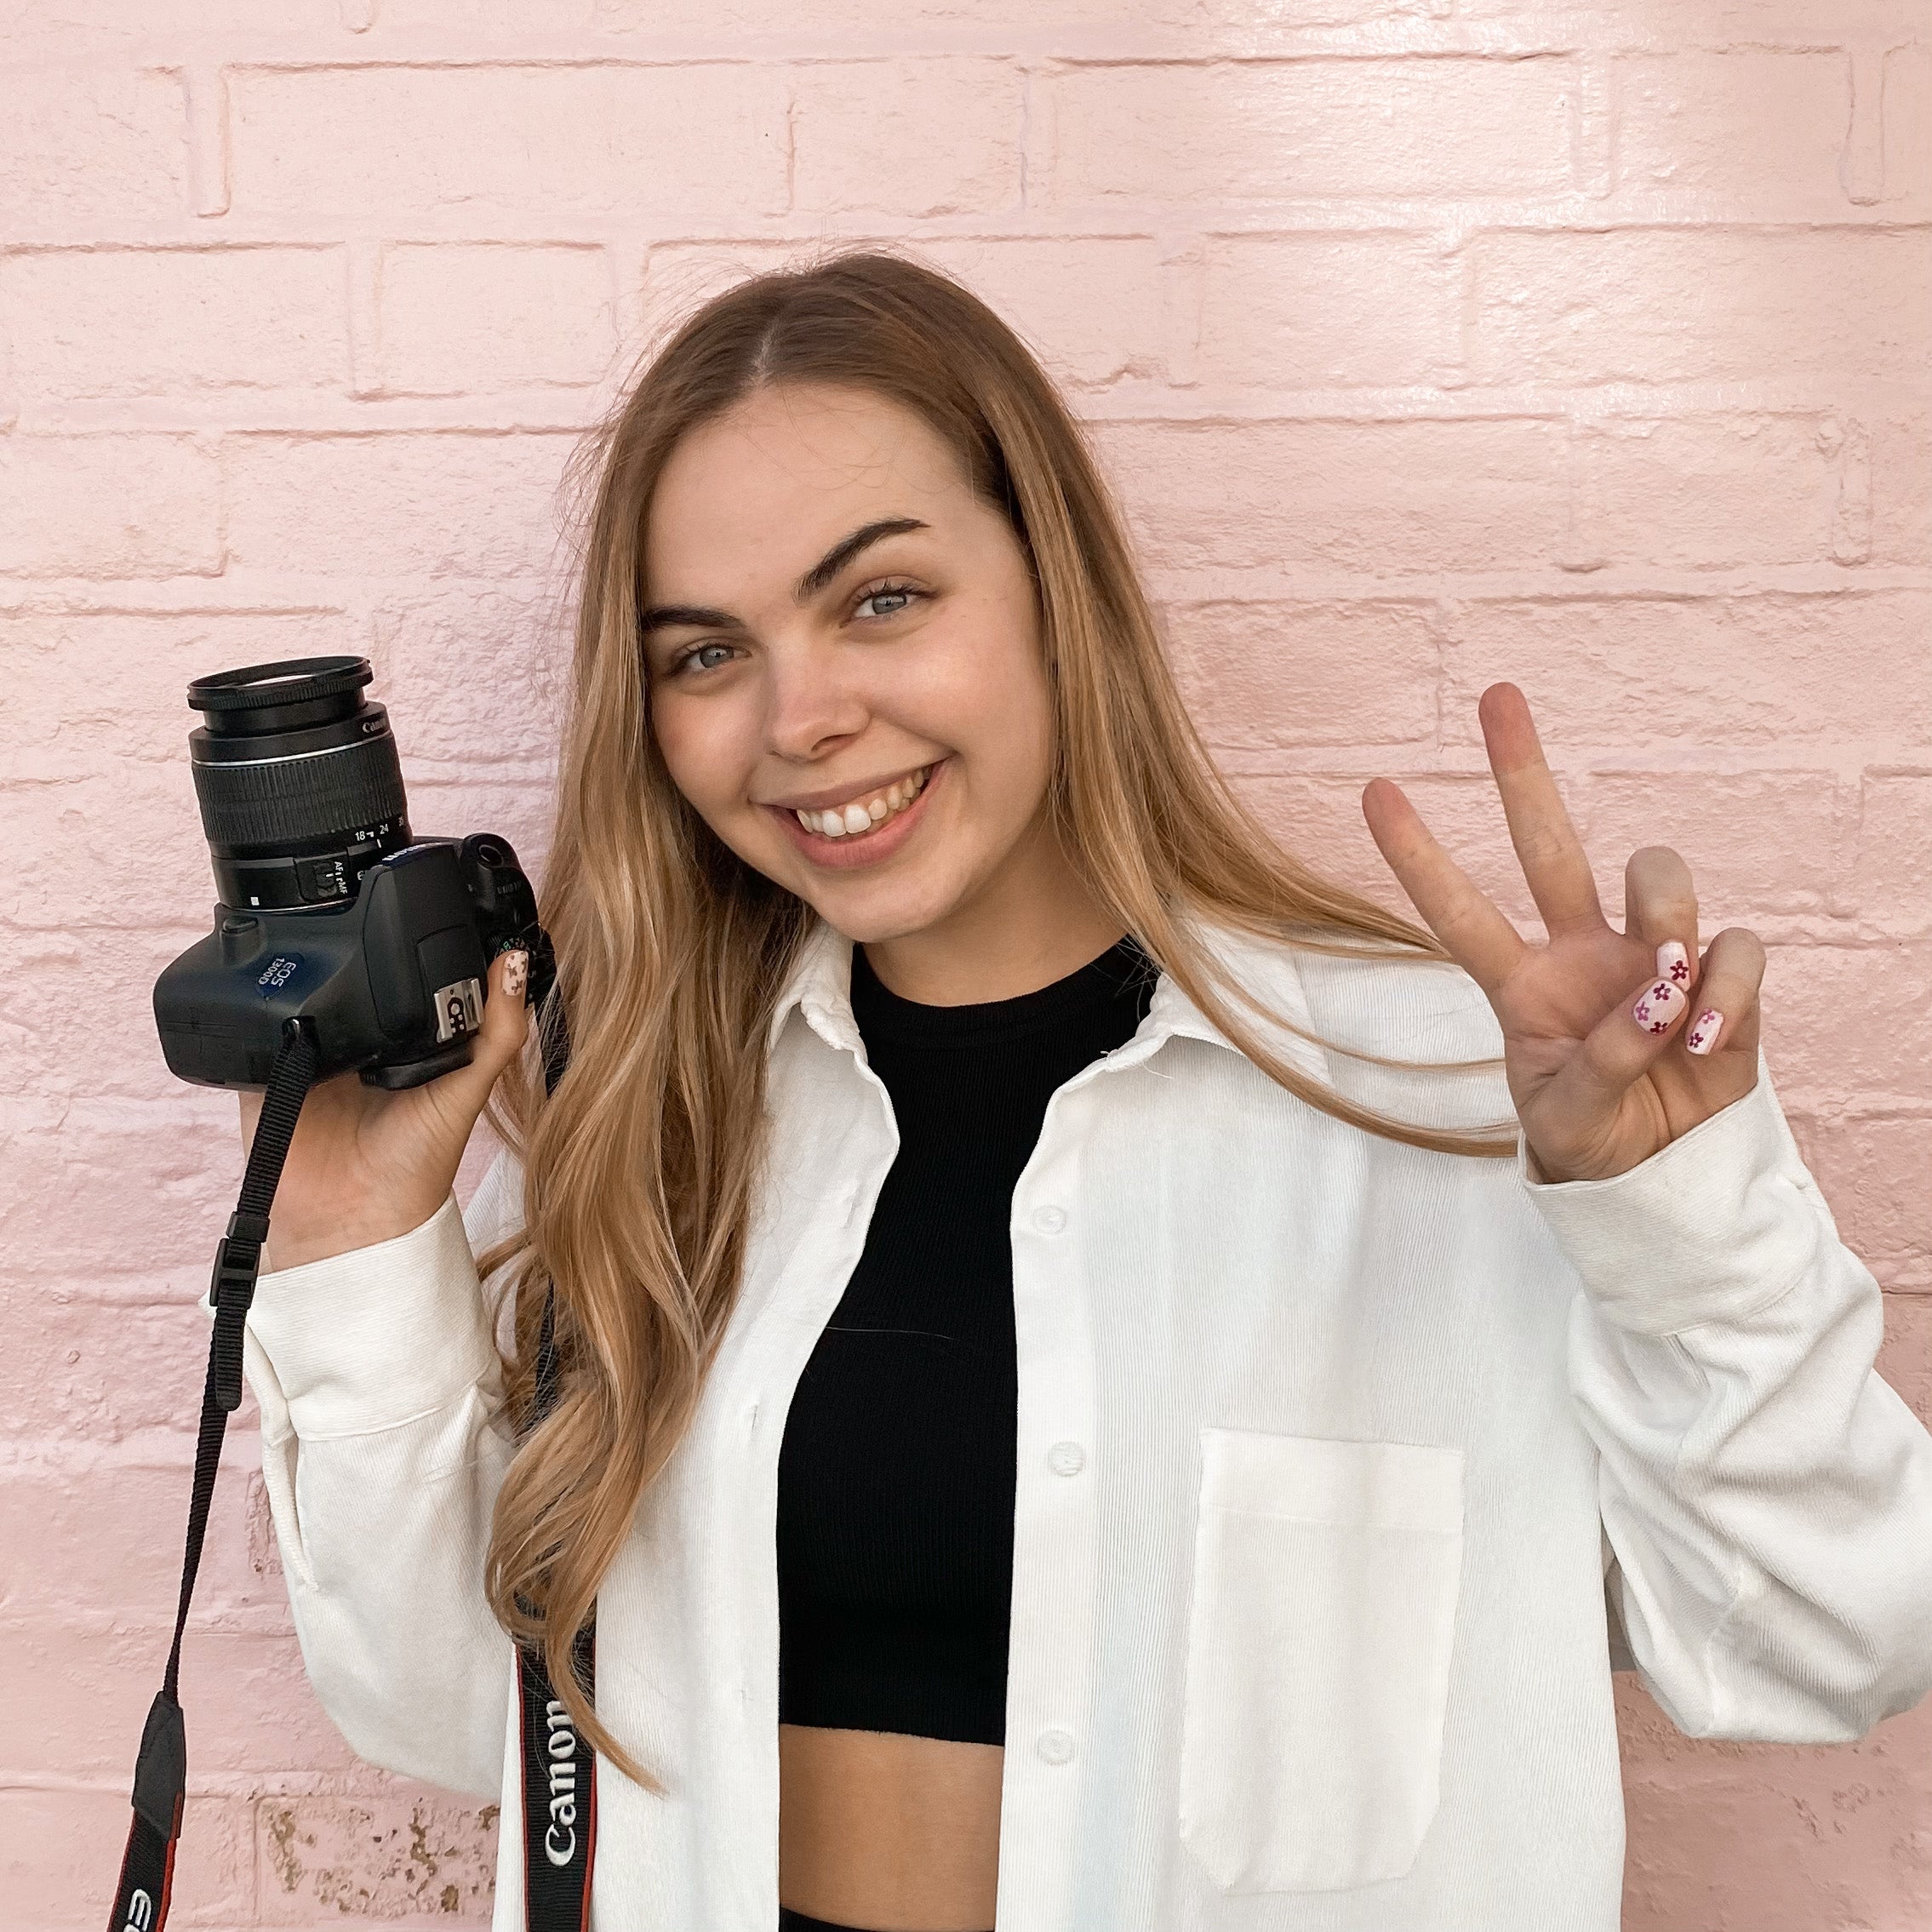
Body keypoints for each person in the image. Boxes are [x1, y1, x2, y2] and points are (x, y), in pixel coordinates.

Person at [229, 249, 1932, 1932]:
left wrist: (1674, 1216)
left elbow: (1840, 1638)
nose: (802, 716)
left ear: (1057, 588)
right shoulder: (646, 1120)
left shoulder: (1458, 1094)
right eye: (702, 654)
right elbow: (458, 1715)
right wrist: (348, 1238)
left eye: (880, 598)